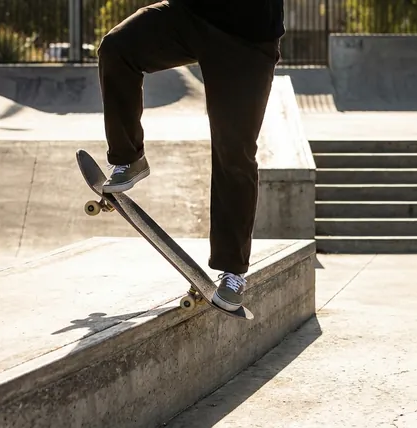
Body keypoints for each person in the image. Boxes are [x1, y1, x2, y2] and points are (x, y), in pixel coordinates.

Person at [95, 0, 284, 313]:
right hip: (190, 14)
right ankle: (129, 157)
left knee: (233, 151)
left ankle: (232, 271)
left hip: (248, 36)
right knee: (117, 48)